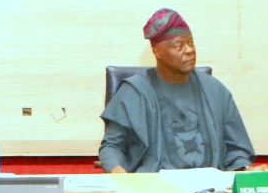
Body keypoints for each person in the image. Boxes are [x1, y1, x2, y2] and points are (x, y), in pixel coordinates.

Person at [99, 9, 256, 173]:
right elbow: (112, 146)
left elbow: (236, 151)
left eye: (191, 43)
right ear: (158, 52)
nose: (189, 50)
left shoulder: (215, 90)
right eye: (179, 46)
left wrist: (245, 169)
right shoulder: (135, 92)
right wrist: (117, 171)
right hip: (154, 184)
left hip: (210, 186)